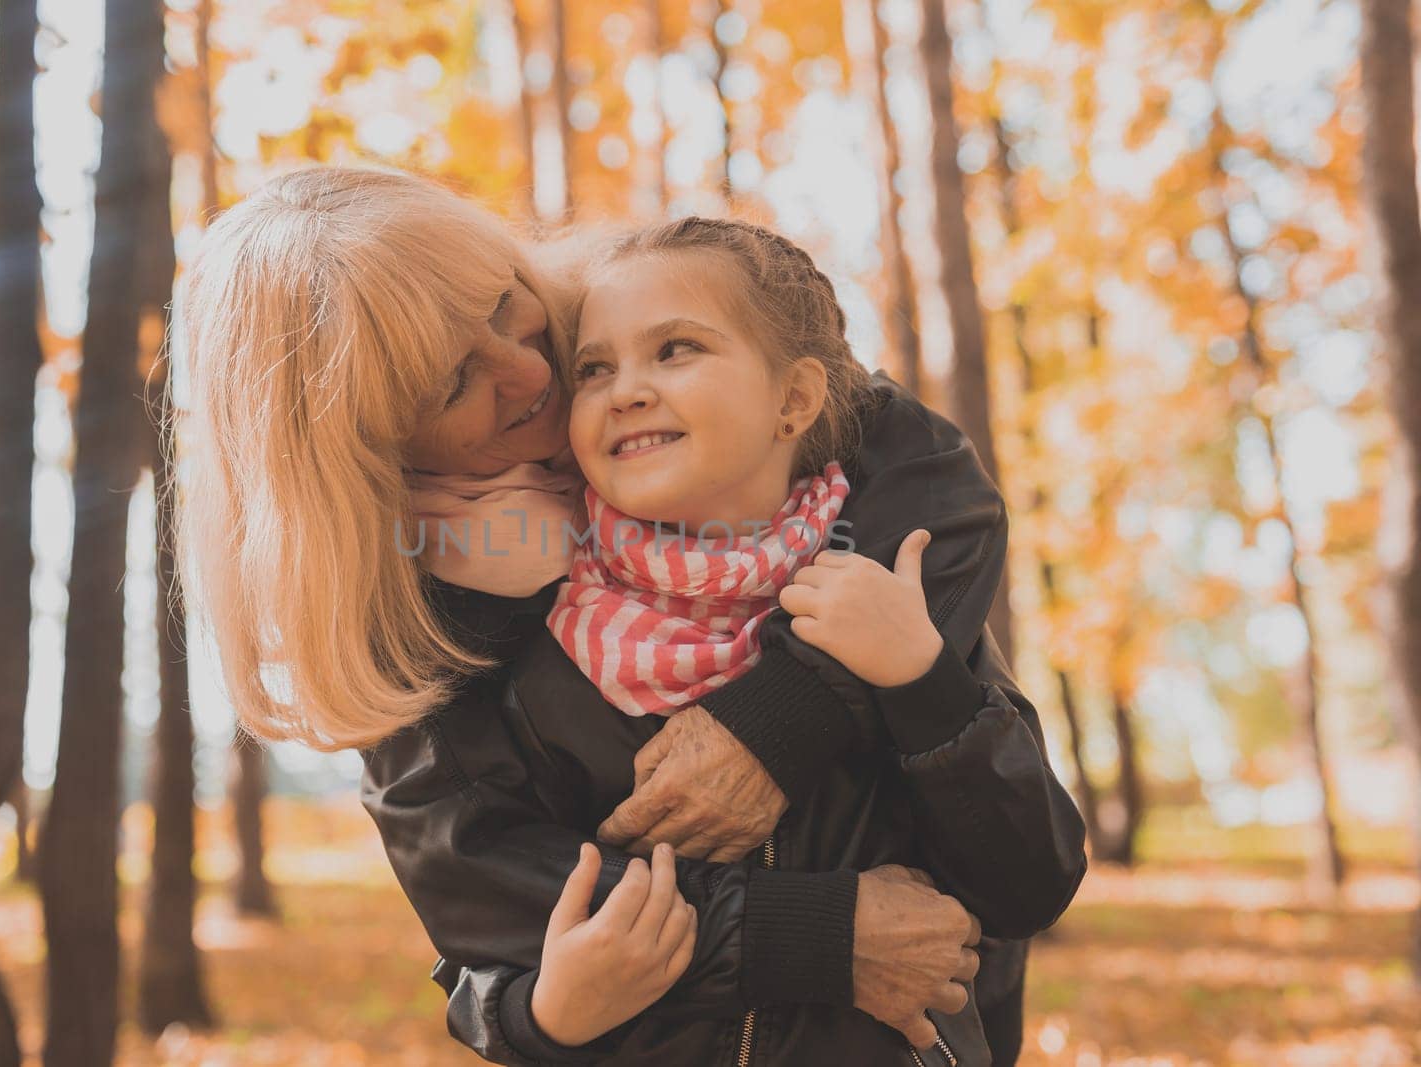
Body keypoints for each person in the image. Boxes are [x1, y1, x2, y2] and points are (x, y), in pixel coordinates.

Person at [174, 166, 1086, 1065]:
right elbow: (501, 916)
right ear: (366, 455)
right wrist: (819, 935)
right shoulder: (426, 640)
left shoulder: (686, 365)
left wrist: (780, 717)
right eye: (455, 383)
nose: (533, 371)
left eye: (502, 306)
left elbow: (930, 477)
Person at [427, 216, 1084, 1064]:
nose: (626, 388)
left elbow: (1031, 881)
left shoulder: (885, 602)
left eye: (676, 350)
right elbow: (493, 943)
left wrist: (923, 684)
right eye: (594, 368)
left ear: (795, 400)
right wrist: (541, 1018)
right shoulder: (540, 651)